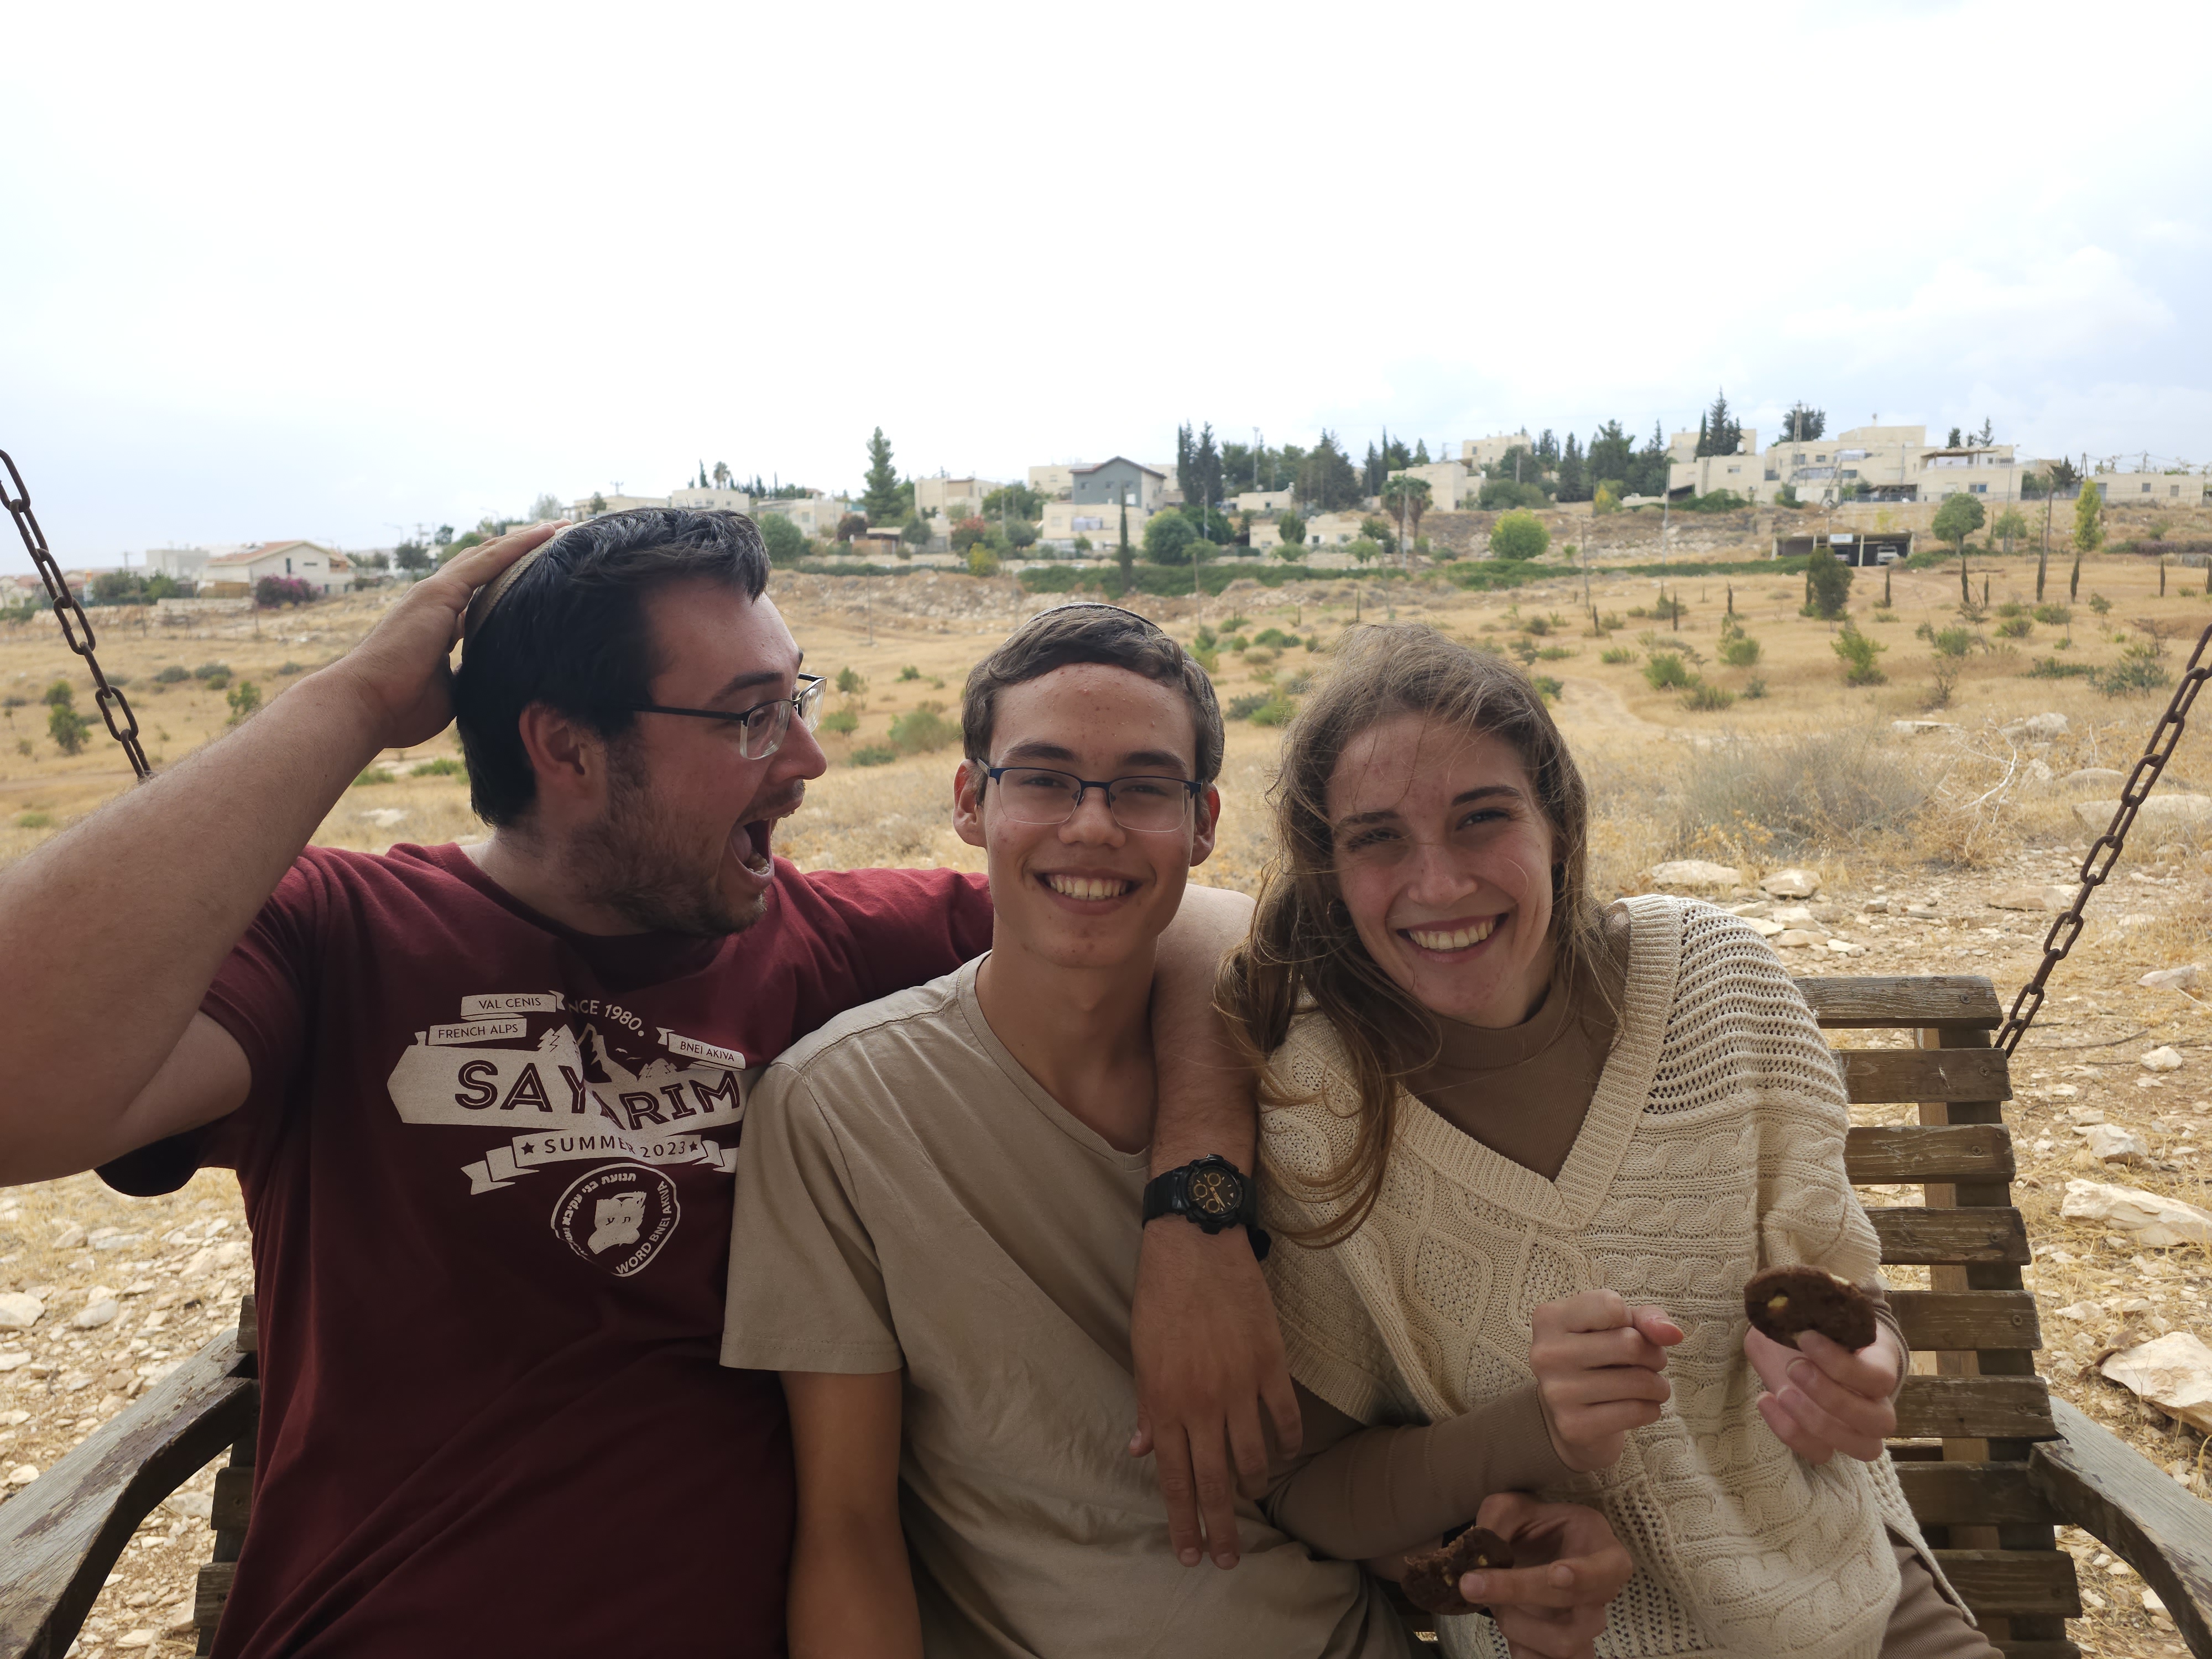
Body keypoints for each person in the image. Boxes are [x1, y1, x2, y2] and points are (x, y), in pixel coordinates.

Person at [0, 513, 1278, 1657]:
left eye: (798, 698)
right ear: (566, 746)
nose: (808, 759)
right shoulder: (343, 940)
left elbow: (1201, 924)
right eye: (751, 717)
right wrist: (354, 698)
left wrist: (1197, 1212)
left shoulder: (818, 942)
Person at [724, 604, 1634, 1659]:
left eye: (1145, 788)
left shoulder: (1307, 1075)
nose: (1093, 826)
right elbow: (847, 1532)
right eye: (1046, 779)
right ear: (972, 801)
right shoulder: (840, 1112)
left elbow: (1343, 1461)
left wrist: (1486, 1555)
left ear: (1203, 824)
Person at [1221, 624, 1997, 1659]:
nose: (1439, 884)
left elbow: (1850, 1295)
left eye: (1482, 817)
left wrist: (1862, 1378)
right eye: (1377, 839)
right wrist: (1533, 1435)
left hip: (1859, 1610)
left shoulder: (1718, 984)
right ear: (1330, 870)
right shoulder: (1322, 1103)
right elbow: (1312, 1488)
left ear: (1560, 824)